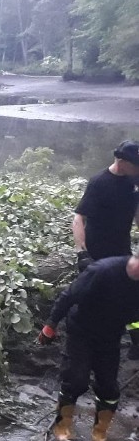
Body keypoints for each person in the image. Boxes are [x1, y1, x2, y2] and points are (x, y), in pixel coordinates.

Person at [38, 253, 139, 441]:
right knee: (76, 379)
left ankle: (100, 432)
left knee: (109, 388)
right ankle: (63, 426)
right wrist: (51, 324)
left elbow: (135, 317)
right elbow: (68, 296)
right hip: (81, 332)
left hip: (110, 338)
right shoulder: (102, 271)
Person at [72, 140, 139, 355]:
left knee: (132, 296)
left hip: (122, 250)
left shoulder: (134, 182)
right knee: (93, 299)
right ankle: (85, 346)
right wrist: (82, 252)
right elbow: (78, 218)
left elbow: (137, 211)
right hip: (97, 253)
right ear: (121, 161)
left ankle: (136, 340)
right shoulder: (99, 182)